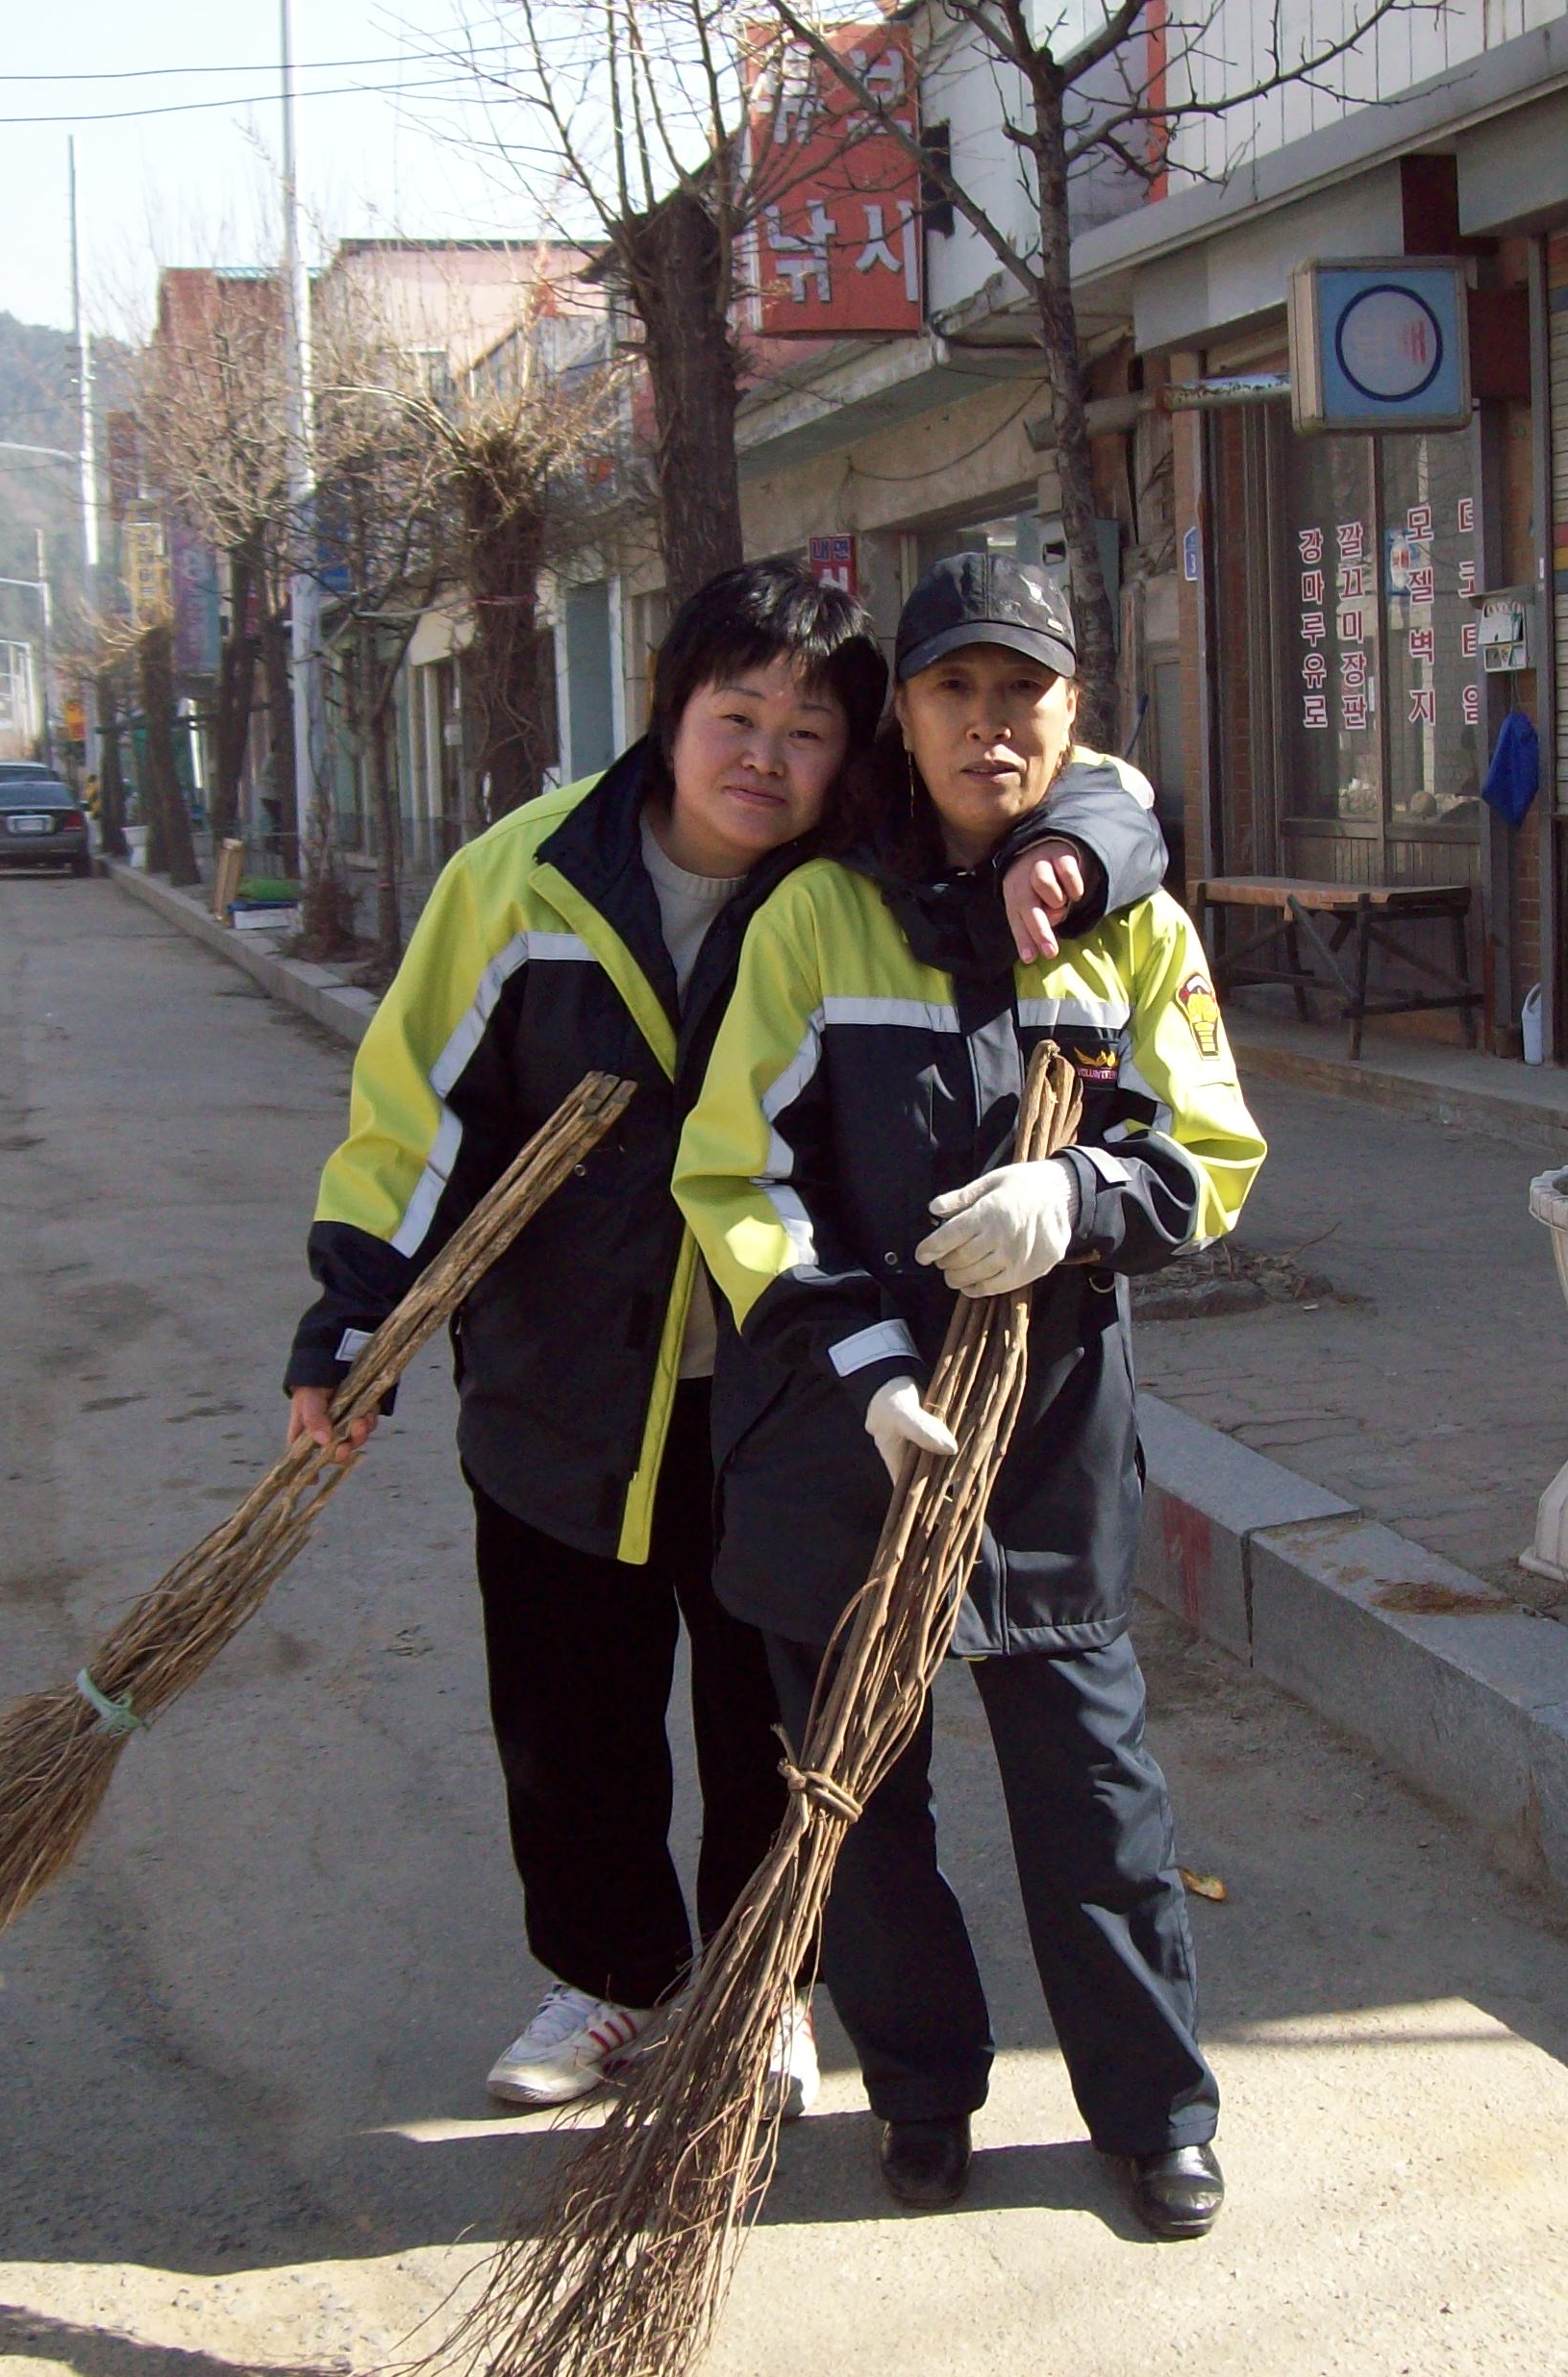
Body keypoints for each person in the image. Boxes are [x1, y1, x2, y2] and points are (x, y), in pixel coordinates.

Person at [280, 559, 1167, 2113]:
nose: (766, 757)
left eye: (808, 730)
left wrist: (1083, 849)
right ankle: (609, 1980)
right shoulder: (525, 880)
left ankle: (774, 1988)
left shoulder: (863, 875)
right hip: (567, 1384)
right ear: (669, 710)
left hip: (793, 1378)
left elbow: (1093, 789)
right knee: (571, 1712)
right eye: (734, 715)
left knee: (776, 1713)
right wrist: (353, 1321)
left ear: (855, 748)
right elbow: (413, 1118)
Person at [672, 553, 1264, 2239]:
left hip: (1044, 1443)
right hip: (839, 1441)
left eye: (1023, 693)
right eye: (954, 690)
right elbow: (733, 1175)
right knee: (862, 1811)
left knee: (1096, 1801)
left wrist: (1079, 1197)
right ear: (906, 714)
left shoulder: (1132, 925)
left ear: (1074, 715)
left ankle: (1155, 2113)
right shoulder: (815, 917)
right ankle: (921, 2098)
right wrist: (862, 1363)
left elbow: (1213, 1153)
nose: (988, 726)